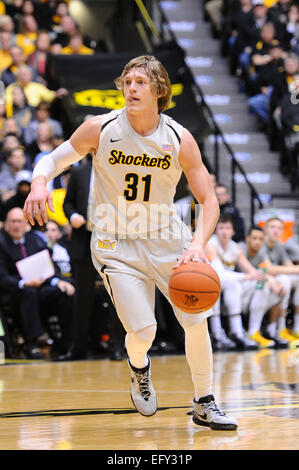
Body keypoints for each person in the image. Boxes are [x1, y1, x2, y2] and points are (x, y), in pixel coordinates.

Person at [23, 55, 238, 430]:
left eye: (140, 82)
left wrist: (198, 245)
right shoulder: (101, 128)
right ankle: (139, 366)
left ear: (159, 90)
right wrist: (40, 182)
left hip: (167, 237)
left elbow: (209, 201)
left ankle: (205, 401)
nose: (132, 88)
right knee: (144, 332)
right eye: (127, 81)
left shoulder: (178, 138)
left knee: (196, 318)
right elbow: (51, 161)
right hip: (115, 243)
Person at [0, 207, 74, 359]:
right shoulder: (1, 244)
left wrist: (57, 281)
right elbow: (2, 277)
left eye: (19, 221)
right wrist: (24, 283)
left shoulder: (34, 239)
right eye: (12, 221)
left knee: (62, 293)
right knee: (29, 293)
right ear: (6, 225)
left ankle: (67, 343)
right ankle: (34, 342)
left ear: (26, 224)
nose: (16, 225)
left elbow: (47, 265)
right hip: (15, 292)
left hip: (39, 287)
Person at [206, 214, 266, 350]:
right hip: (208, 282)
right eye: (221, 228)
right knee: (223, 283)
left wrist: (258, 274)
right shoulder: (211, 244)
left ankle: (243, 331)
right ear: (216, 230)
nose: (224, 231)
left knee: (258, 285)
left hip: (229, 282)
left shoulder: (235, 247)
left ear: (233, 231)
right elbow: (218, 274)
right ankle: (217, 332)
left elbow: (251, 272)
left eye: (227, 228)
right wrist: (245, 276)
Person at [239, 225, 288, 348]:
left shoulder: (261, 252)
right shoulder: (240, 248)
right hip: (236, 289)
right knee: (264, 285)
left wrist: (273, 282)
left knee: (280, 289)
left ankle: (270, 330)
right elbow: (255, 274)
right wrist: (270, 279)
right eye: (254, 238)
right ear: (247, 238)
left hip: (250, 290)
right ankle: (252, 332)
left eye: (261, 239)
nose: (257, 242)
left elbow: (265, 271)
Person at [261, 217, 299, 344]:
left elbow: (290, 267)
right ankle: (278, 328)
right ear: (265, 229)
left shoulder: (279, 245)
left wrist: (294, 269)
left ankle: (296, 328)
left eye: (279, 228)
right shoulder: (260, 243)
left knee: (294, 279)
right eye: (272, 227)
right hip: (258, 282)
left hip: (272, 283)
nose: (276, 231)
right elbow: (269, 269)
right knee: (284, 279)